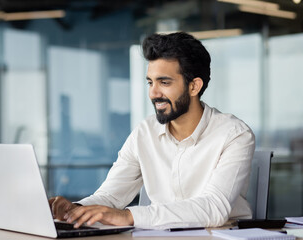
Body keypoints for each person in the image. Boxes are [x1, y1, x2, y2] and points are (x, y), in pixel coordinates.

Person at [49, 31, 255, 230]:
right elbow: (111, 196)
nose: (153, 93)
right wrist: (75, 210)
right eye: (150, 82)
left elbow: (213, 208)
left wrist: (129, 216)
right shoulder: (144, 132)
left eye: (164, 82)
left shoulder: (234, 134)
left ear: (194, 87)